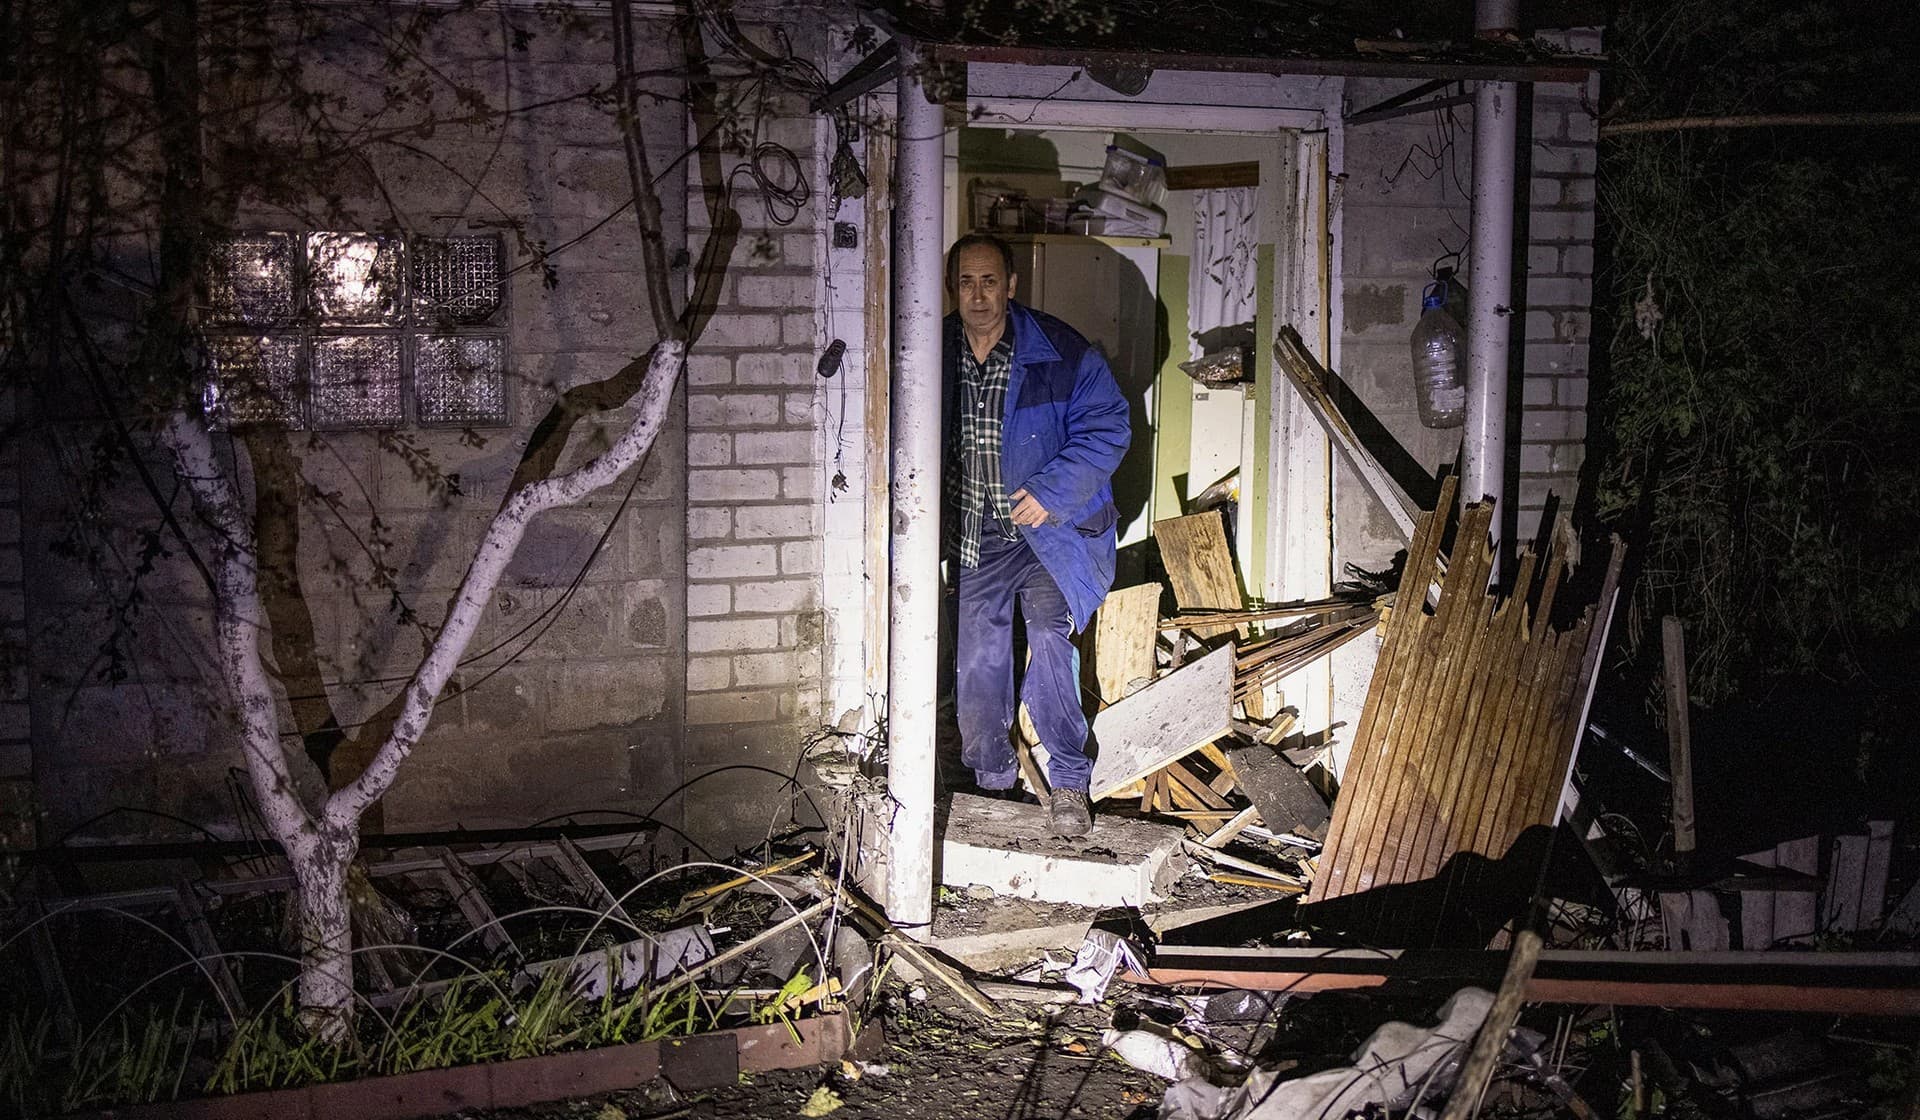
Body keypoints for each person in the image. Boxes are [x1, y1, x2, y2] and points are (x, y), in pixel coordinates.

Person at [943, 233, 1130, 838]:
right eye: (966, 282)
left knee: (1049, 637)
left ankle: (1071, 778)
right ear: (953, 288)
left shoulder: (1062, 351)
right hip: (978, 538)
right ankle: (994, 781)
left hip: (1053, 535)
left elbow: (1109, 427)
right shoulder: (932, 352)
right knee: (977, 661)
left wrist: (1050, 493)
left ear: (1012, 286)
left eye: (990, 281)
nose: (978, 295)